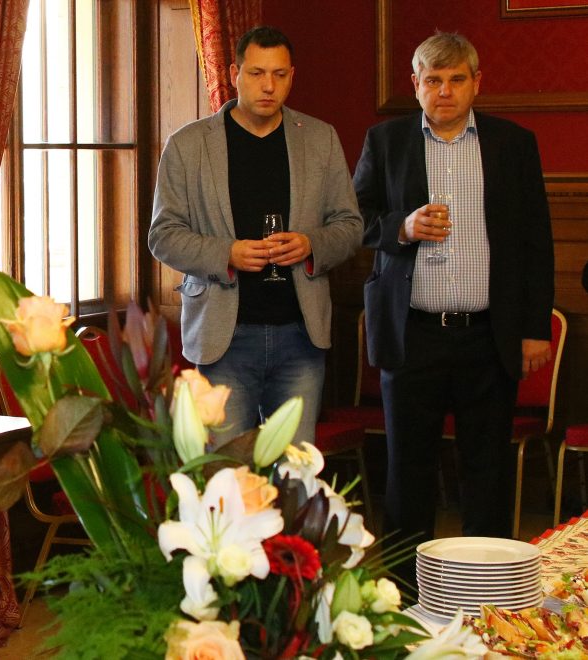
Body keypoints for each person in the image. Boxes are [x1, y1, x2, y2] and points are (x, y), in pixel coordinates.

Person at [353, 32, 553, 589]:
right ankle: (402, 596)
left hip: (488, 334)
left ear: (476, 83)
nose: (445, 91)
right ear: (415, 85)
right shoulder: (385, 141)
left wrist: (534, 328)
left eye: (456, 80)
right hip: (411, 333)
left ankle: (486, 593)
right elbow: (353, 221)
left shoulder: (513, 143)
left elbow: (536, 240)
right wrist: (402, 227)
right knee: (407, 473)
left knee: (487, 473)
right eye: (433, 80)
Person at [148, 25, 363, 446]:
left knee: (296, 472)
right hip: (224, 338)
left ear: (292, 76)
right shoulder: (188, 145)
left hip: (300, 335)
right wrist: (226, 253)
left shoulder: (320, 138)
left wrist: (311, 245)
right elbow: (163, 235)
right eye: (257, 73)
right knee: (227, 471)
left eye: (279, 75)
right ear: (234, 74)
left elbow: (350, 226)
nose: (268, 86)